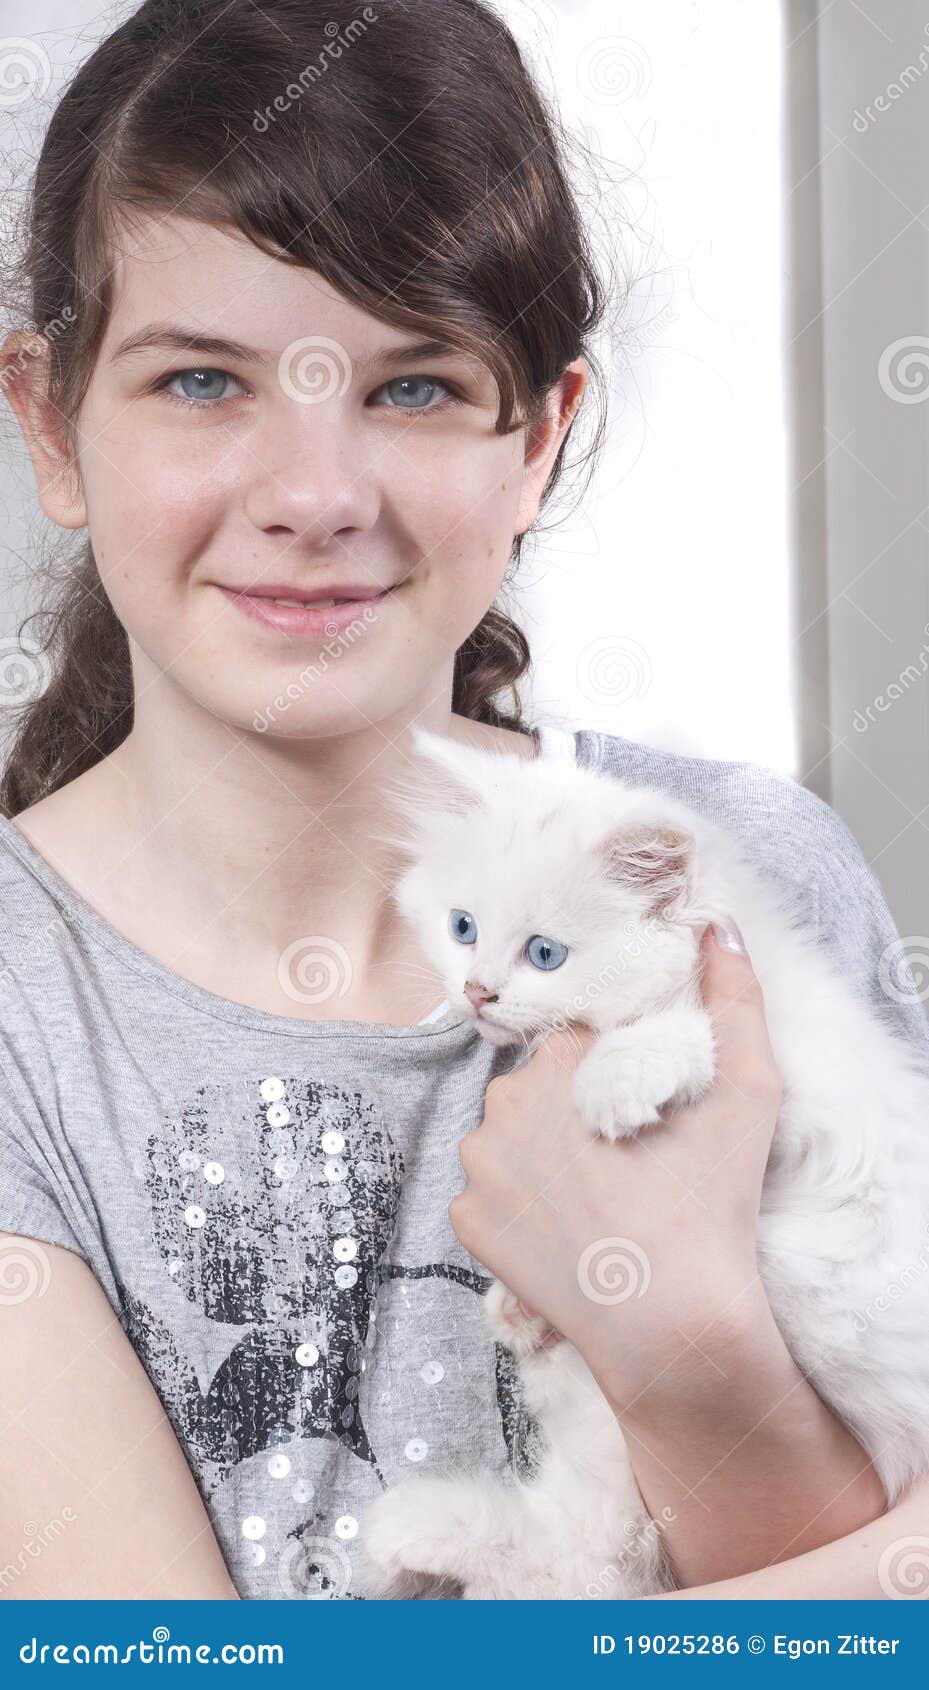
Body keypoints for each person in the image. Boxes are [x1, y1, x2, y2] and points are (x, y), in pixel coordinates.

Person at [0, 0, 924, 1600]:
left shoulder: (736, 873)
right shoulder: (26, 1012)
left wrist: (685, 1341)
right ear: (49, 424)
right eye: (203, 382)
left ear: (541, 439)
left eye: (414, 388)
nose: (313, 496)